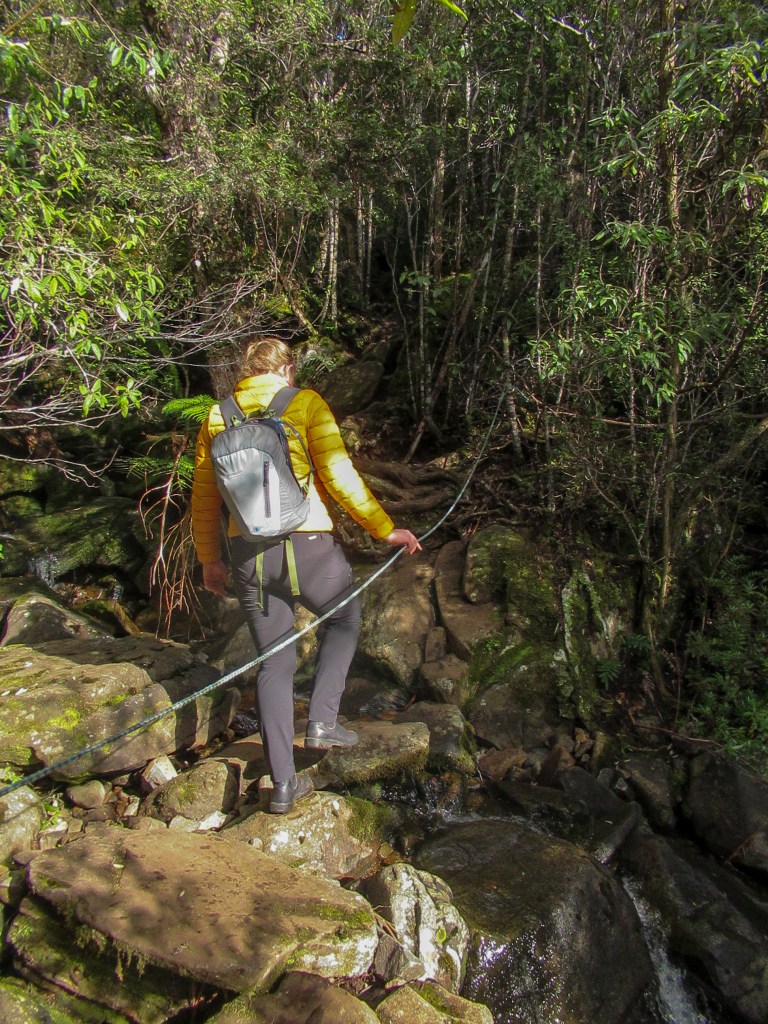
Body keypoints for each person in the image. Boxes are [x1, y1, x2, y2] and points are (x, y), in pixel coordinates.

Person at [191, 337, 421, 813]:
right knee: (343, 621)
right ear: (288, 370)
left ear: (246, 373)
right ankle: (321, 721)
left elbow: (205, 500)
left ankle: (282, 786)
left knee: (275, 662)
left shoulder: (217, 417)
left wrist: (210, 561)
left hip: (248, 556)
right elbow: (339, 474)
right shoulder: (305, 404)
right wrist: (384, 529)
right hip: (309, 545)